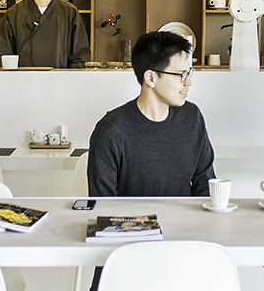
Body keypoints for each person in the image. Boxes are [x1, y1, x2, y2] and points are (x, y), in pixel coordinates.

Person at [88, 30, 215, 197]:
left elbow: (205, 185)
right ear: (151, 78)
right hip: (130, 216)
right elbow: (103, 204)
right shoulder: (110, 131)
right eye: (181, 74)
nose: (188, 82)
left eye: (188, 73)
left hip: (184, 214)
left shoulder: (192, 117)